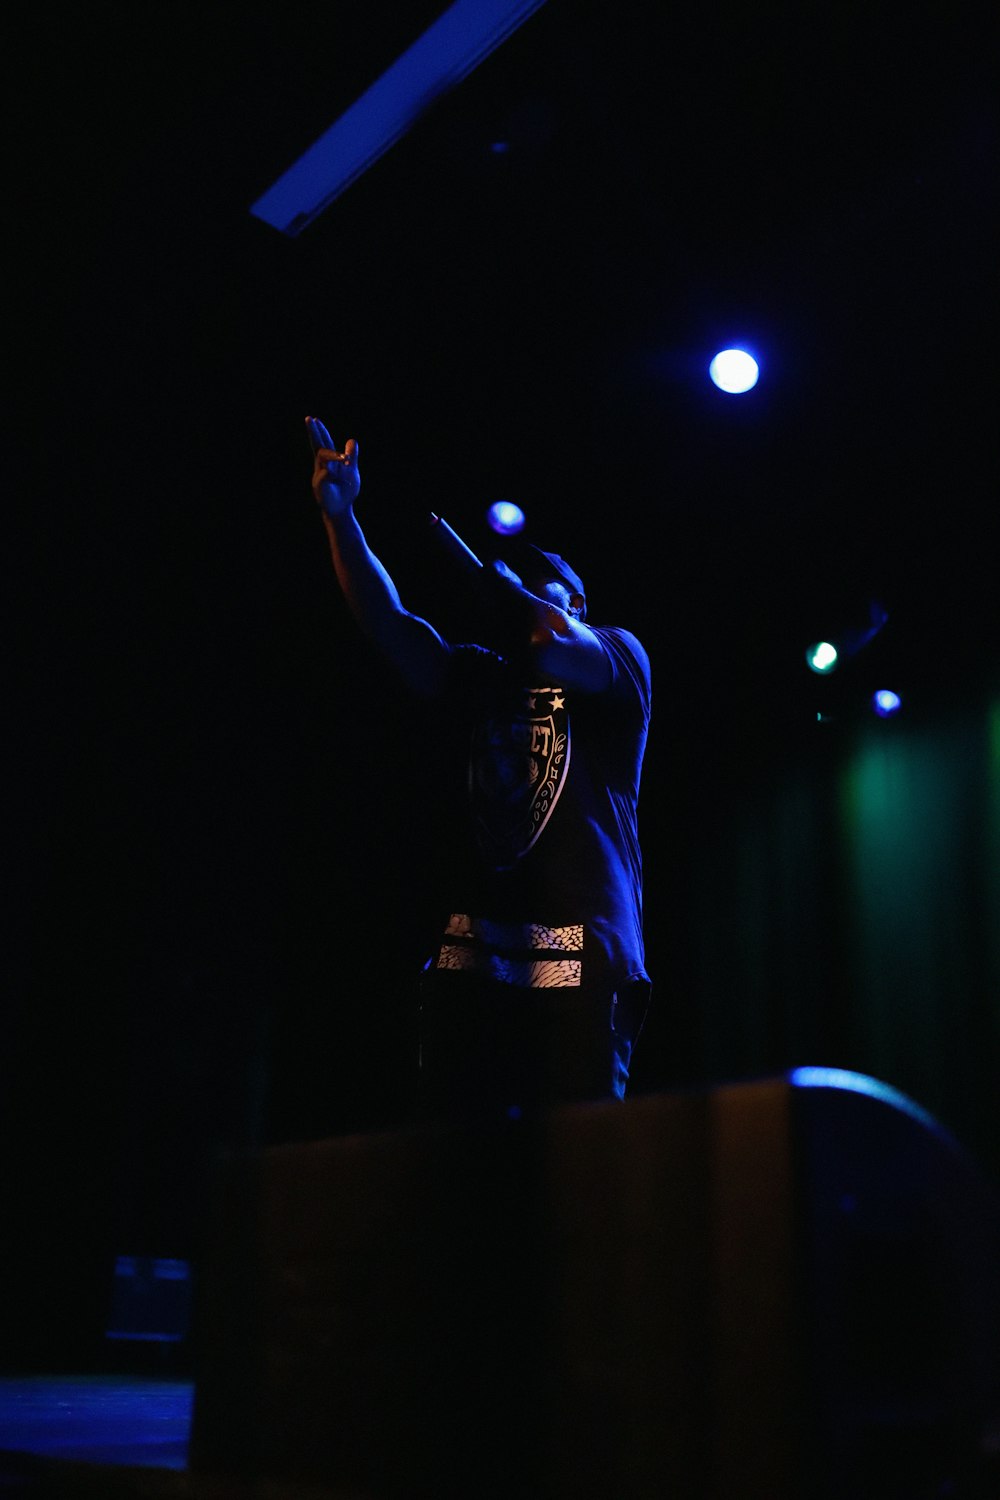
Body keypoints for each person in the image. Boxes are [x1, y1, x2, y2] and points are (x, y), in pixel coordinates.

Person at [306, 415, 652, 1119]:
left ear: (577, 601)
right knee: (461, 1173)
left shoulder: (616, 658)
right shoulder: (476, 675)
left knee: (576, 1158)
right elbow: (390, 621)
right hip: (476, 953)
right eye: (511, 579)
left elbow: (554, 644)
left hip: (579, 947)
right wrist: (342, 520)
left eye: (535, 581)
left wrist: (491, 583)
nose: (515, 586)